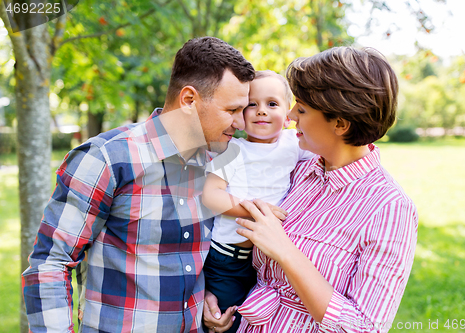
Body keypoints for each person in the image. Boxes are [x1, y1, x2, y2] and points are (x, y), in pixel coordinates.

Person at [22, 36, 256, 333]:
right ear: (188, 100)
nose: (241, 123)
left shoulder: (219, 165)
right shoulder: (107, 159)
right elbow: (50, 265)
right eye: (232, 110)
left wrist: (206, 297)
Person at [204, 47, 418, 333]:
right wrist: (213, 296)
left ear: (340, 124)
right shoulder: (300, 171)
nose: (290, 115)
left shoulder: (389, 209)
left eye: (301, 109)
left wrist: (286, 251)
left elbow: (364, 328)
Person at [201, 71, 315, 333]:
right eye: (252, 104)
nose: (261, 111)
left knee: (258, 323)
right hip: (227, 259)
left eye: (272, 104)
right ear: (240, 112)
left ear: (289, 113)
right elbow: (211, 195)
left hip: (265, 261)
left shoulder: (293, 143)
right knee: (225, 321)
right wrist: (256, 211)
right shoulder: (233, 149)